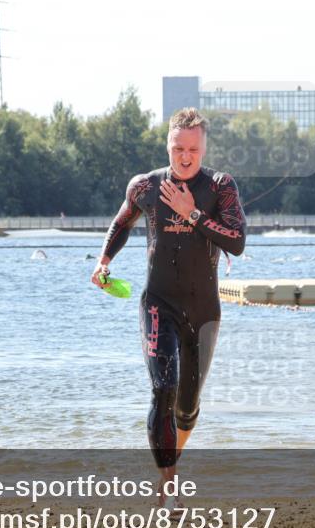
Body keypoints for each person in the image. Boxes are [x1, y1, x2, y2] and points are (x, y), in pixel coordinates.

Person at [90, 108, 246, 507]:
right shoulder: (146, 185)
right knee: (163, 387)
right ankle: (168, 486)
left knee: (188, 408)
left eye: (193, 148)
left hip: (204, 311)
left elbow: (237, 241)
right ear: (168, 145)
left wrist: (190, 213)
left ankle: (170, 463)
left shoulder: (220, 186)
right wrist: (104, 260)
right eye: (178, 147)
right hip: (158, 303)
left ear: (204, 147)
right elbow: (123, 222)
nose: (185, 156)